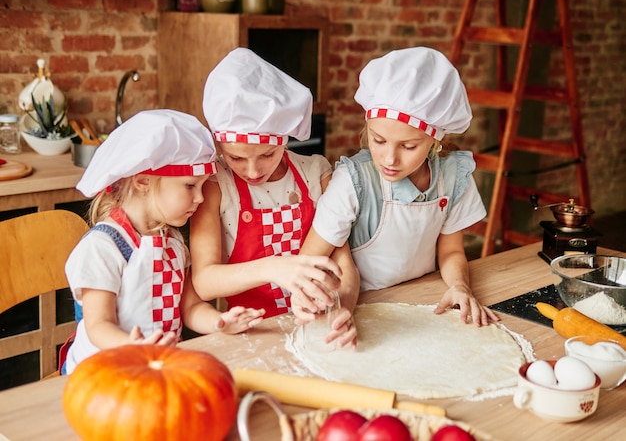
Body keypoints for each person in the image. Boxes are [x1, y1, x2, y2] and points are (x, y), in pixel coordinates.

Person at [301, 46, 499, 328]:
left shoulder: (453, 176)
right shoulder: (353, 181)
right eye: (378, 140)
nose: (390, 158)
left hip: (423, 302)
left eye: (408, 146)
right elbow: (310, 261)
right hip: (360, 308)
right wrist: (336, 307)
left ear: (436, 140)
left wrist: (460, 286)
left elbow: (451, 251)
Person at [63, 109, 265, 374]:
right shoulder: (102, 248)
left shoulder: (173, 244)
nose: (201, 198)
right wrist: (133, 346)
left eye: (203, 187)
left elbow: (190, 307)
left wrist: (220, 322)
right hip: (103, 373)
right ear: (144, 181)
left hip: (157, 367)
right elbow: (99, 325)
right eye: (190, 186)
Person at [190, 48, 358, 348]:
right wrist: (275, 267)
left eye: (267, 154)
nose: (253, 171)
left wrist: (342, 306)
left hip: (316, 327)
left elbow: (343, 263)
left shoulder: (315, 174)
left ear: (285, 139)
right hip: (250, 334)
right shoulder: (217, 184)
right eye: (236, 158)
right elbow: (204, 282)